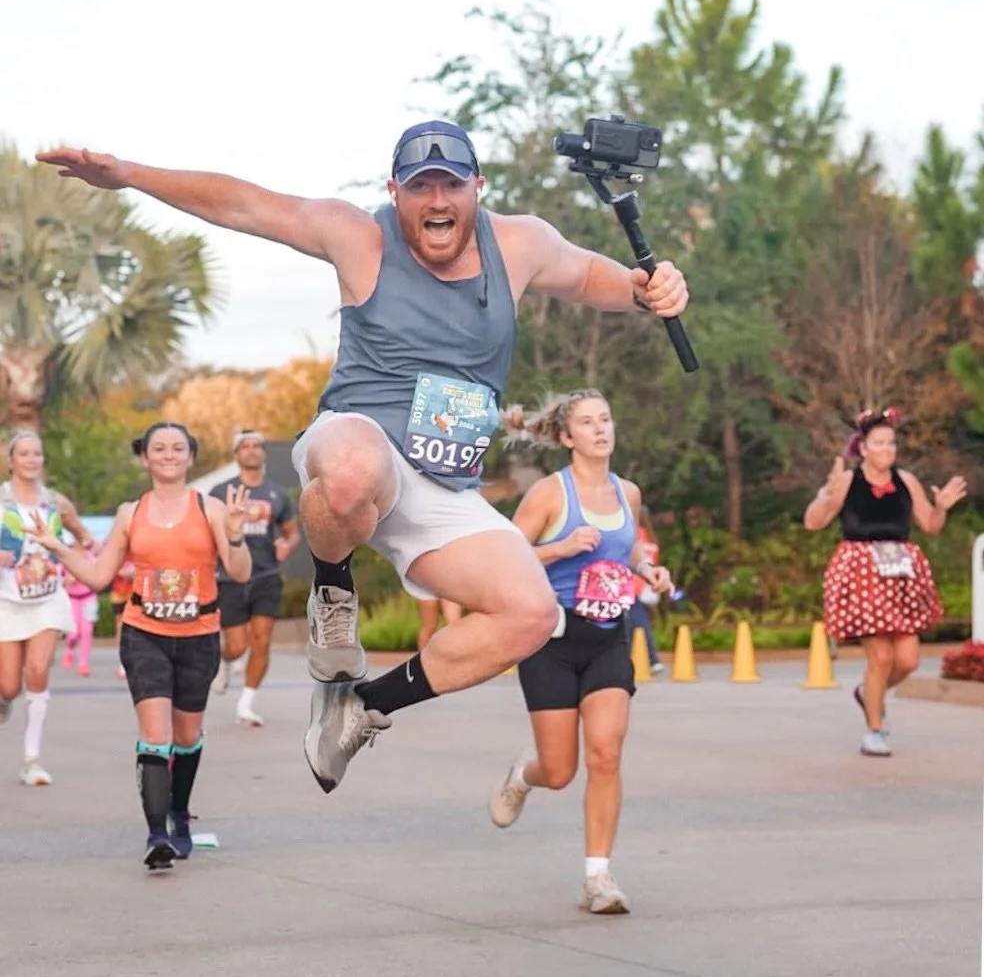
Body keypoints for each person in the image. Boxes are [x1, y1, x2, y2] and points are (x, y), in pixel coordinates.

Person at [37, 122, 689, 797]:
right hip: (358, 439)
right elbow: (245, 205)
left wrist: (646, 290)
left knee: (532, 614)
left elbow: (588, 275)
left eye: (450, 184)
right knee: (353, 470)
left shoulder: (519, 242)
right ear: (394, 192)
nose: (437, 200)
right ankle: (333, 593)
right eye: (419, 186)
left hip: (443, 484)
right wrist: (129, 174)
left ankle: (363, 707)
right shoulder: (359, 236)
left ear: (477, 187)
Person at [27, 422, 250, 868]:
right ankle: (156, 836)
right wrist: (57, 547)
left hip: (199, 636)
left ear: (191, 457)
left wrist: (236, 533)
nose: (168, 454)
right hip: (144, 633)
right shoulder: (131, 513)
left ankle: (179, 815)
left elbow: (240, 572)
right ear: (145, 458)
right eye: (159, 448)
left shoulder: (209, 508)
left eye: (178, 448)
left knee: (186, 737)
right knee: (155, 735)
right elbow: (98, 576)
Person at [487, 390, 673, 914]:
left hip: (608, 636)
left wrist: (647, 569)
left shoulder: (627, 492)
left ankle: (598, 878)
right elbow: (503, 557)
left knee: (606, 754)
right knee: (560, 770)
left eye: (606, 419)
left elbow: (626, 546)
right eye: (588, 423)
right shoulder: (549, 494)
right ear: (567, 437)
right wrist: (561, 548)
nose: (600, 429)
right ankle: (524, 775)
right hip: (551, 640)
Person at [803, 407, 966, 757]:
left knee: (907, 660)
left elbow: (930, 525)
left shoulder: (906, 481)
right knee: (880, 656)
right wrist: (825, 495)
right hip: (861, 575)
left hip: (900, 574)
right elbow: (813, 523)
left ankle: (869, 693)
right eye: (879, 443)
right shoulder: (848, 481)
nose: (887, 449)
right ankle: (874, 731)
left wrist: (941, 506)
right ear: (863, 448)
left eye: (891, 442)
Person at [0, 429, 95, 786]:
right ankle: (4, 699)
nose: (31, 459)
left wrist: (85, 548)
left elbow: (82, 535)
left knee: (38, 671)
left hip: (48, 600)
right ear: (11, 461)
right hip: (7, 601)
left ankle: (32, 760)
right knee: (9, 685)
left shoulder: (56, 501)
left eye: (36, 454)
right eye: (23, 454)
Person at [209, 428, 300, 727]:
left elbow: (292, 533)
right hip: (231, 575)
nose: (252, 450)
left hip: (266, 574)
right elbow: (208, 530)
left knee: (262, 640)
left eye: (257, 445)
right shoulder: (220, 492)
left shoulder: (277, 493)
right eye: (245, 446)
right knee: (237, 646)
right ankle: (224, 662)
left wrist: (287, 545)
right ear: (237, 454)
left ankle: (246, 705)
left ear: (264, 452)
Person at [626, 516, 665, 675]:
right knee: (637, 622)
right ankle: (650, 658)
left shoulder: (635, 534)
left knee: (636, 623)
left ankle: (652, 659)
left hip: (630, 584)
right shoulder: (651, 538)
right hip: (644, 585)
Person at [61, 543, 100, 678]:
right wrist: (67, 580)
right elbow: (59, 577)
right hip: (72, 597)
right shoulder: (67, 557)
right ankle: (70, 649)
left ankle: (83, 663)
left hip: (88, 597)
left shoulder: (90, 558)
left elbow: (98, 575)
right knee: (73, 633)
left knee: (87, 631)